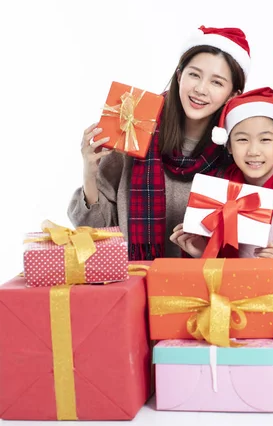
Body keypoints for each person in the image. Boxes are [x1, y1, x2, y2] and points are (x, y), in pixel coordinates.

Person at [68, 25, 250, 259]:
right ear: (178, 75)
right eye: (194, 74)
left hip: (202, 287)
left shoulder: (237, 148)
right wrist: (89, 173)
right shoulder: (135, 124)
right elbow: (96, 232)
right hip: (135, 282)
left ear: (233, 94)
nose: (201, 89)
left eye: (217, 82)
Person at [170, 87, 273, 282]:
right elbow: (215, 278)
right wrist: (201, 252)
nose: (254, 151)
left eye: (265, 139)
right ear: (228, 145)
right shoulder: (214, 198)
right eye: (242, 139)